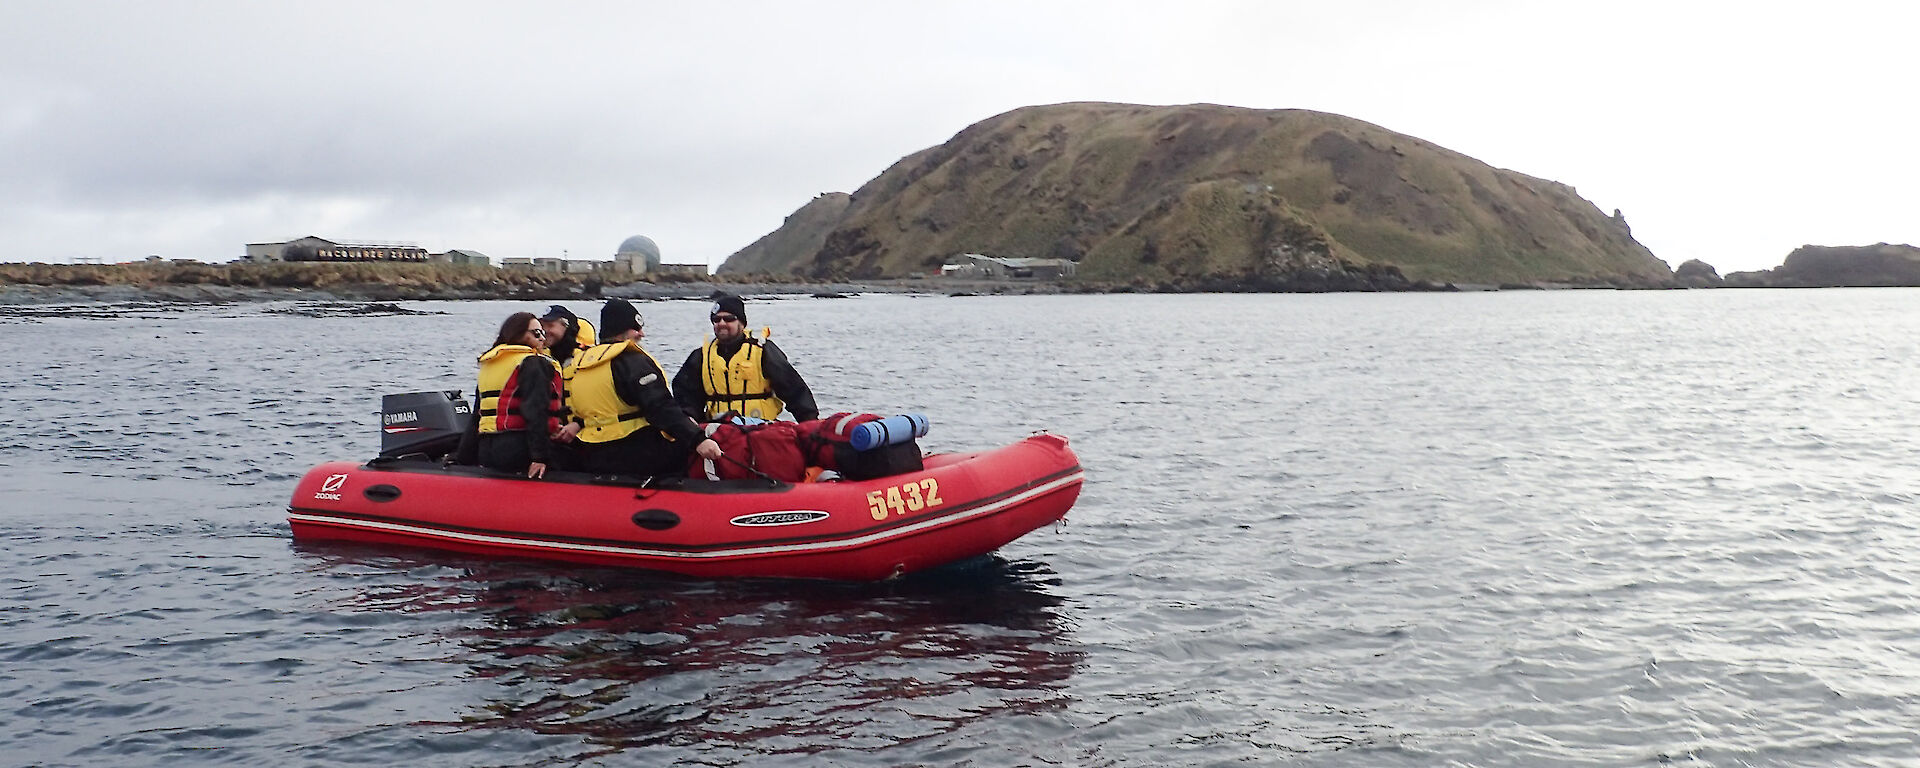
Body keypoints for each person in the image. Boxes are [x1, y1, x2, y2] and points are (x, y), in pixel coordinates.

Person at [569, 298, 722, 477]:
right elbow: (660, 407)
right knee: (684, 448)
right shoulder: (631, 361)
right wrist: (698, 439)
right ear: (621, 331)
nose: (642, 334)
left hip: (595, 452)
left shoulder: (580, 365)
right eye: (636, 328)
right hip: (636, 453)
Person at [673, 291, 819, 423]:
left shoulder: (763, 351)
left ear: (742, 323)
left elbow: (794, 390)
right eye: (716, 320)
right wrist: (690, 418)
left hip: (761, 430)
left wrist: (809, 422)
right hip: (718, 431)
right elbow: (685, 394)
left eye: (729, 319)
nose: (722, 323)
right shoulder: (701, 356)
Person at [454, 312, 564, 478]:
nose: (542, 338)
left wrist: (462, 457)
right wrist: (539, 457)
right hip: (517, 448)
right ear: (518, 334)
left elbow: (477, 416)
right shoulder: (532, 363)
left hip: (487, 449)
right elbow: (536, 411)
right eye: (536, 333)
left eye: (543, 333)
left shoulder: (489, 365)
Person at [538, 304, 597, 369]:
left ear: (566, 326)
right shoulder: (538, 356)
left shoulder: (588, 358)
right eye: (542, 326)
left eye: (550, 326)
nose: (544, 330)